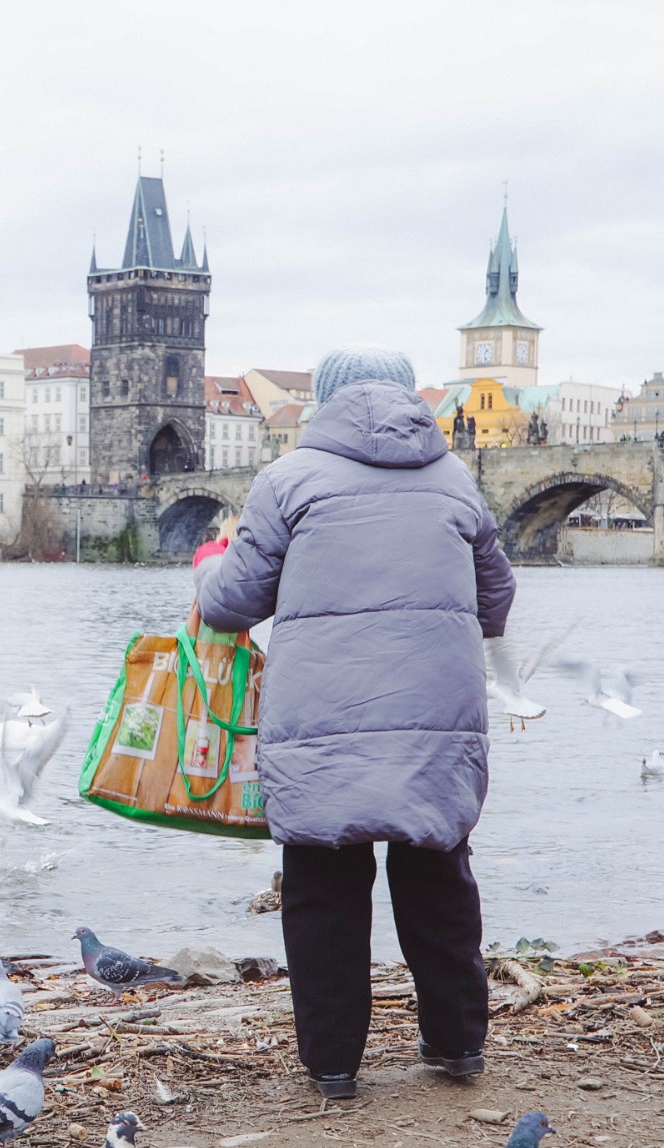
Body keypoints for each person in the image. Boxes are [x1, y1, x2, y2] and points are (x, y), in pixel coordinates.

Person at [194, 346, 515, 1101]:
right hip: (438, 715)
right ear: (410, 402)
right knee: (437, 874)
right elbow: (496, 600)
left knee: (324, 888)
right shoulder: (455, 479)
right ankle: (456, 1045)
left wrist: (209, 562)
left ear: (323, 405)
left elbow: (230, 603)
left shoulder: (288, 480)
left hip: (322, 720)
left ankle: (334, 1066)